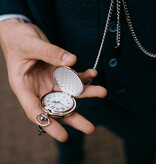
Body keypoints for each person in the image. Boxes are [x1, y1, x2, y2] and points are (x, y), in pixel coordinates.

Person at [0, 0, 156, 164]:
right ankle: (68, 158)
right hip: (61, 65)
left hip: (145, 84)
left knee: (143, 143)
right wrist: (11, 21)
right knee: (65, 135)